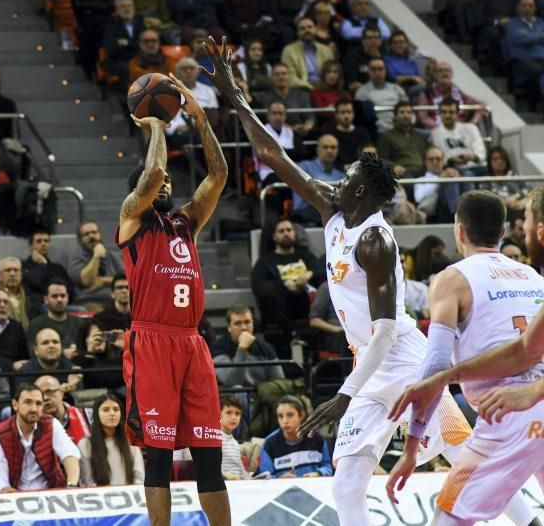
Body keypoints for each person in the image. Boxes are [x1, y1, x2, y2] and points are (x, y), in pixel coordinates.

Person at [201, 37, 480, 526]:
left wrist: (346, 393)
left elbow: (387, 329)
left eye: (349, 171)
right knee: (347, 480)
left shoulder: (376, 242)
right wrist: (234, 94)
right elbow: (272, 155)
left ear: (361, 189)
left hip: (403, 359)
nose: (339, 174)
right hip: (368, 367)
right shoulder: (335, 205)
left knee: (464, 459)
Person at [386, 190, 543, 525]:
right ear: (503, 233)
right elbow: (525, 348)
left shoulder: (451, 279)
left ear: (458, 231)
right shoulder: (534, 276)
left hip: (507, 411)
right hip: (539, 394)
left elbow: (434, 365)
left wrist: (412, 444)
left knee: (449, 517)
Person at [117, 69, 230, 524]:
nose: (164, 186)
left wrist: (200, 121)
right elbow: (155, 172)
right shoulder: (132, 221)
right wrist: (160, 123)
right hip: (151, 342)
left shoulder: (185, 223)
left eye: (167, 188)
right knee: (159, 457)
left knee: (208, 455)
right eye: (155, 187)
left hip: (191, 343)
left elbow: (218, 174)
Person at [0, 383, 81, 491]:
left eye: (38, 403)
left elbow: (70, 455)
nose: (34, 408)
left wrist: (71, 486)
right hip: (13, 496)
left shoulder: (51, 424)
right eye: (28, 402)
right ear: (15, 404)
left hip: (50, 493)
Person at [210, 305, 285, 392]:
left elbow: (280, 381)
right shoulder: (219, 348)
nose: (244, 328)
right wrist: (242, 349)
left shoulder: (265, 348)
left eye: (247, 322)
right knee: (237, 389)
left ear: (253, 324)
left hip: (260, 395)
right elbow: (231, 382)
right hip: (232, 399)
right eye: (238, 323)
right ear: (229, 327)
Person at [258, 396, 332, 479]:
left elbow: (327, 467)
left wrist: (318, 473)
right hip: (282, 490)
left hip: (313, 488)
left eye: (290, 415)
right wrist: (280, 478)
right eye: (280, 416)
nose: (285, 421)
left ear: (301, 415)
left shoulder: (317, 439)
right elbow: (265, 476)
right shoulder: (269, 443)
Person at [78, 393, 144, 487]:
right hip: (99, 497)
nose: (112, 413)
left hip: (130, 496)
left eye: (116, 409)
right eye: (106, 410)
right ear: (96, 414)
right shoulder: (85, 444)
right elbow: (87, 480)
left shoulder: (131, 440)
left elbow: (139, 476)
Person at [68, 221, 125, 308]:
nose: (91, 236)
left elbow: (126, 279)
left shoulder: (112, 255)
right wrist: (96, 255)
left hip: (115, 300)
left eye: (94, 232)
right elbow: (88, 281)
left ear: (99, 234)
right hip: (89, 301)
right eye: (86, 234)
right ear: (80, 239)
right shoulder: (76, 259)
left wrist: (103, 281)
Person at [0, 256, 42, 332]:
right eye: (8, 270)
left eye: (16, 270)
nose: (12, 274)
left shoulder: (32, 298)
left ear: (21, 275)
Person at [417, 60, 486, 129]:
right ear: (435, 75)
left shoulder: (459, 92)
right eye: (440, 71)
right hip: (436, 130)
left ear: (452, 74)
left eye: (447, 70)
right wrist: (438, 128)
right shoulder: (427, 92)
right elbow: (422, 115)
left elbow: (481, 105)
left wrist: (472, 123)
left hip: (460, 130)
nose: (444, 73)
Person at [292, 135, 343, 226]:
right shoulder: (304, 167)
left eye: (333, 147)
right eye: (325, 147)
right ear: (318, 149)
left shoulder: (340, 174)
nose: (329, 150)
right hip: (306, 212)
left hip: (333, 214)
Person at [415, 146, 474, 223]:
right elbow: (419, 197)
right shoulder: (421, 179)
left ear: (443, 161)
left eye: (438, 159)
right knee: (450, 181)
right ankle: (459, 216)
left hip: (456, 207)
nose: (435, 162)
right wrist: (440, 179)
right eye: (431, 159)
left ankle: (470, 213)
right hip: (437, 212)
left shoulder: (450, 172)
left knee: (466, 174)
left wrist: (457, 177)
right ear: (425, 162)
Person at [429, 97, 487, 177]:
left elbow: (480, 152)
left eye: (451, 112)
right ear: (439, 114)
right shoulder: (435, 133)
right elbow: (439, 158)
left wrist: (472, 157)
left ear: (457, 113)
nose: (447, 115)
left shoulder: (471, 128)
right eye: (444, 112)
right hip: (452, 168)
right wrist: (451, 160)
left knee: (468, 174)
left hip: (476, 166)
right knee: (458, 175)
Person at [26, 279, 84, 355]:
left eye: (63, 296)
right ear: (46, 299)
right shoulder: (36, 324)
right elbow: (33, 352)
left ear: (67, 298)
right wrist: (62, 354)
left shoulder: (79, 323)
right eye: (54, 296)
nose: (59, 299)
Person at [253, 101, 303, 186]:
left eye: (281, 113)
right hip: (268, 172)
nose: (277, 116)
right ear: (268, 115)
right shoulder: (260, 132)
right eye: (274, 113)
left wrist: (277, 152)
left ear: (285, 116)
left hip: (292, 171)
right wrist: (288, 153)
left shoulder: (292, 133)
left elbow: (301, 152)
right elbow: (266, 155)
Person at [17, 328, 83, 392]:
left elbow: (79, 400)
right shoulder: (25, 372)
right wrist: (61, 391)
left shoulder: (71, 370)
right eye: (45, 343)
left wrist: (70, 387)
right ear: (36, 350)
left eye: (55, 342)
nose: (51, 346)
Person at [354, 57, 409, 133]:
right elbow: (369, 118)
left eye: (380, 69)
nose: (377, 72)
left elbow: (408, 108)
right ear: (368, 71)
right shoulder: (362, 92)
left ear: (385, 71)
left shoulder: (397, 89)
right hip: (378, 130)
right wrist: (387, 127)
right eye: (373, 69)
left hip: (401, 126)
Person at [377, 101, 429, 180]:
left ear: (412, 115)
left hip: (423, 171)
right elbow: (382, 159)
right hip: (403, 172)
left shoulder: (420, 136)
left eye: (409, 112)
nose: (406, 115)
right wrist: (394, 166)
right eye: (402, 112)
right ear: (395, 116)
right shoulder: (387, 136)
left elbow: (428, 155)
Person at [280, 17, 334, 91]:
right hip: (302, 90)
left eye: (310, 27)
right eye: (302, 28)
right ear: (297, 33)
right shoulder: (288, 50)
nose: (307, 30)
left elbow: (333, 72)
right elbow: (290, 77)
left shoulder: (326, 50)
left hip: (325, 89)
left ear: (315, 30)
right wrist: (311, 88)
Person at [35, 374, 91, 444]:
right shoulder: (32, 425)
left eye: (50, 392)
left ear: (61, 393)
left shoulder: (88, 416)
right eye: (41, 394)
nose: (45, 398)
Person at [102, 0, 145, 84]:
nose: (126, 9)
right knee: (132, 69)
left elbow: (144, 45)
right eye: (123, 6)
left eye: (129, 6)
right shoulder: (111, 26)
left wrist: (126, 43)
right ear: (117, 11)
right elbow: (112, 48)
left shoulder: (140, 25)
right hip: (120, 61)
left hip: (141, 59)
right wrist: (135, 44)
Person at [22, 230, 74, 302]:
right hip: (37, 304)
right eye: (39, 241)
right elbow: (33, 283)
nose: (43, 244)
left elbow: (70, 289)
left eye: (46, 241)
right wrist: (42, 264)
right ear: (30, 246)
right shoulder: (23, 266)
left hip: (60, 303)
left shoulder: (57, 268)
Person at [480, 146, 528, 221]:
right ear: (490, 162)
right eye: (495, 159)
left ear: (507, 161)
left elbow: (528, 191)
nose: (499, 161)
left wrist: (515, 197)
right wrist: (506, 201)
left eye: (502, 158)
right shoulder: (485, 181)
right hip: (499, 213)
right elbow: (486, 200)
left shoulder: (516, 175)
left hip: (519, 207)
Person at [321, 99, 372, 170]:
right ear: (336, 115)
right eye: (342, 112)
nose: (346, 116)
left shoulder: (363, 132)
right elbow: (325, 157)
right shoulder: (330, 133)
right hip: (334, 171)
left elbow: (369, 155)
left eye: (349, 112)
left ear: (353, 114)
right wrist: (343, 167)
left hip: (359, 171)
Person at [309, 281, 349, 354]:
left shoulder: (362, 286)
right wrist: (341, 330)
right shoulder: (327, 287)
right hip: (338, 335)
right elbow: (314, 321)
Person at [218, 394, 250, 480]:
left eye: (237, 413)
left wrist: (253, 479)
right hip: (223, 485)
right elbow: (209, 468)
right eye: (229, 413)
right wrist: (228, 476)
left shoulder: (234, 443)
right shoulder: (214, 439)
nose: (234, 417)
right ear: (218, 414)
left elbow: (241, 469)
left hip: (238, 484)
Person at [342, 24, 382, 93]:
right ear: (363, 41)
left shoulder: (383, 58)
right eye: (369, 38)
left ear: (380, 41)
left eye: (375, 37)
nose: (373, 41)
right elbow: (352, 84)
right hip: (360, 94)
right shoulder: (353, 57)